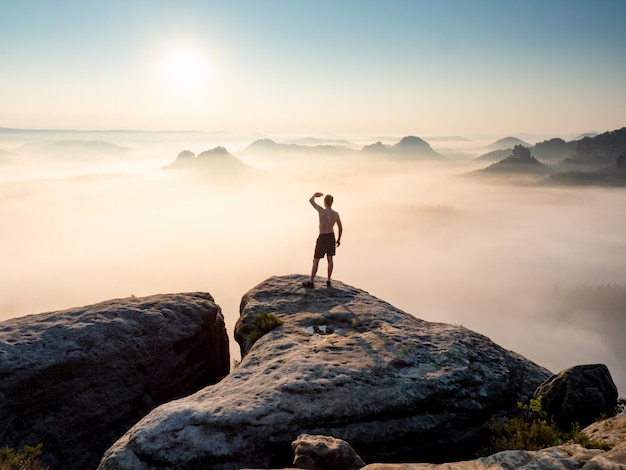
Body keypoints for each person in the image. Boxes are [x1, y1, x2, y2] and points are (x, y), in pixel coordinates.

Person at [302, 192, 343, 288]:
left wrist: (315, 195)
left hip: (323, 236)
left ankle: (311, 281)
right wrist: (339, 239)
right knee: (330, 259)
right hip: (331, 236)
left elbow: (311, 201)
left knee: (316, 260)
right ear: (332, 202)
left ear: (325, 202)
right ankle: (328, 280)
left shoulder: (322, 211)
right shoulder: (335, 214)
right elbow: (340, 228)